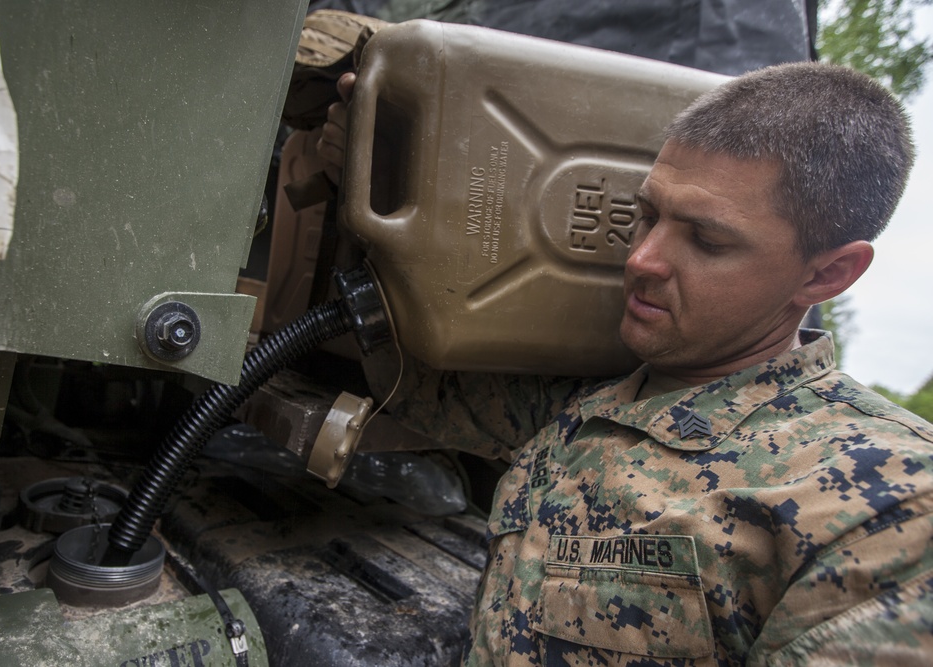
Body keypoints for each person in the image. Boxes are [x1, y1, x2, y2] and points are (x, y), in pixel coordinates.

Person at [320, 61, 932, 665]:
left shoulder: (890, 502)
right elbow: (416, 382)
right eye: (647, 214)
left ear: (828, 273)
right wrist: (366, 179)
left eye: (708, 240)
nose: (641, 258)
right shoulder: (585, 401)